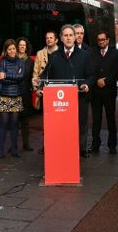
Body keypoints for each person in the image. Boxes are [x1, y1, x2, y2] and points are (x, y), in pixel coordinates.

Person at [34, 24, 94, 158]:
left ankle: (81, 150)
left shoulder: (84, 55)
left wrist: (87, 84)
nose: (68, 38)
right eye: (65, 35)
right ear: (61, 38)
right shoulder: (55, 56)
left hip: (79, 98)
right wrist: (39, 84)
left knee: (81, 124)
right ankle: (62, 151)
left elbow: (91, 75)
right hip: (61, 101)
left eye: (71, 35)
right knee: (62, 128)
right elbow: (46, 75)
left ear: (75, 38)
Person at [89, 30, 118, 154]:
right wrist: (97, 80)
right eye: (99, 40)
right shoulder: (92, 53)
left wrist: (106, 81)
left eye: (103, 39)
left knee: (110, 119)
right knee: (96, 119)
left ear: (108, 40)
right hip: (96, 92)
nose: (101, 42)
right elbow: (90, 69)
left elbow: (116, 70)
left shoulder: (116, 53)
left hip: (109, 91)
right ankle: (95, 144)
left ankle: (112, 145)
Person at [0, 39, 26, 159]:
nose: (12, 51)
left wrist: (7, 75)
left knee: (14, 124)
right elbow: (0, 79)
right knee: (3, 123)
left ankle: (14, 149)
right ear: (6, 50)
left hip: (16, 96)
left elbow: (20, 77)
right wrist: (12, 78)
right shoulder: (2, 62)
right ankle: (1, 150)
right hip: (4, 96)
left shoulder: (21, 62)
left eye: (13, 48)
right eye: (9, 49)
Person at [32, 31, 59, 154]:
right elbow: (36, 73)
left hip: (58, 93)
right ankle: (46, 145)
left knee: (58, 121)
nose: (48, 40)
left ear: (56, 40)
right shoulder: (40, 53)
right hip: (44, 92)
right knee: (46, 121)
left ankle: (57, 143)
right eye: (46, 38)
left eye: (51, 38)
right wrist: (36, 89)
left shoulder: (61, 53)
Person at [17, 37, 35, 152]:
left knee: (25, 120)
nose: (22, 47)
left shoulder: (30, 61)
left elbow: (32, 78)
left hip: (26, 94)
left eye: (24, 45)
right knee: (13, 120)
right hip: (14, 93)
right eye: (20, 45)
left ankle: (26, 144)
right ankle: (13, 144)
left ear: (26, 47)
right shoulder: (13, 59)